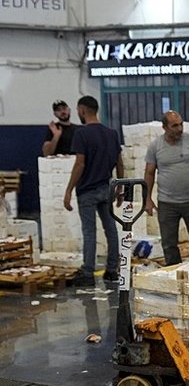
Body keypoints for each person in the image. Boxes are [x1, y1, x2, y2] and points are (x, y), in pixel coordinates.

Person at [63, 95, 123, 287]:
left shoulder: (81, 134)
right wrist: (120, 186)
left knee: (89, 232)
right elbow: (119, 162)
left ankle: (88, 272)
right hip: (107, 188)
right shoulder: (111, 133)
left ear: (82, 110)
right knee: (111, 229)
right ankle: (112, 270)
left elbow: (80, 164)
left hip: (87, 190)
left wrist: (69, 189)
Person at [144, 110, 189, 265]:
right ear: (165, 127)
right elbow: (149, 173)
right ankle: (174, 274)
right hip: (167, 203)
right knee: (169, 245)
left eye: (181, 124)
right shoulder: (155, 146)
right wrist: (147, 199)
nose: (180, 129)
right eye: (175, 126)